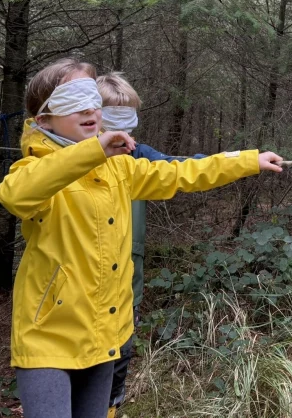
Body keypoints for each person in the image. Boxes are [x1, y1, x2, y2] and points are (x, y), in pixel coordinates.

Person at [0, 58, 282, 418]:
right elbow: (16, 195)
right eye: (73, 100)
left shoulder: (121, 168)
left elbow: (180, 173)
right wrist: (95, 149)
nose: (89, 109)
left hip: (104, 335)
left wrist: (245, 161)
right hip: (47, 339)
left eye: (93, 99)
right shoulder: (32, 170)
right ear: (44, 121)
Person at [96, 72, 206, 417]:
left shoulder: (139, 156)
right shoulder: (68, 162)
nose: (122, 132)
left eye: (128, 120)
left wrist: (235, 162)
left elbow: (179, 169)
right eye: (112, 117)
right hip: (79, 294)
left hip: (128, 288)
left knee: (117, 366)